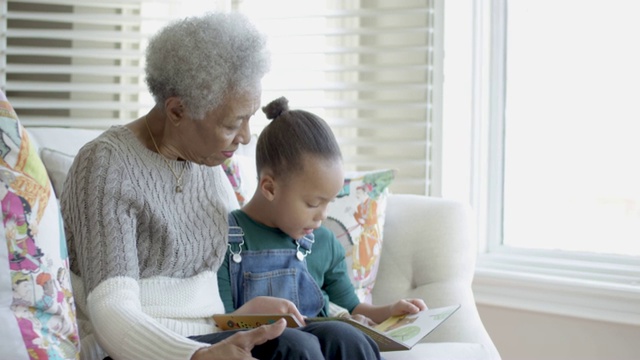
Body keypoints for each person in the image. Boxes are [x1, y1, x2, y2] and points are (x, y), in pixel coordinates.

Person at [61, 12, 379, 360]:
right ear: (178, 111)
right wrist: (196, 356)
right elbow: (111, 313)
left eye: (248, 119)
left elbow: (207, 302)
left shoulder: (207, 165)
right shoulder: (105, 164)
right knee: (294, 349)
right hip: (140, 348)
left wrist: (243, 316)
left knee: (345, 339)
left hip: (212, 333)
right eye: (232, 124)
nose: (244, 138)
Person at [217, 96, 427, 329]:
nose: (323, 215)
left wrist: (391, 311)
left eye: (329, 203)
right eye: (313, 203)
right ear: (270, 188)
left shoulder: (324, 242)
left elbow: (352, 306)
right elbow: (222, 322)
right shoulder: (225, 239)